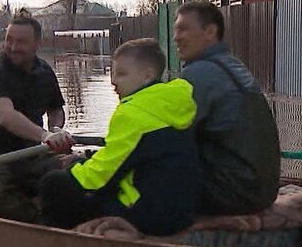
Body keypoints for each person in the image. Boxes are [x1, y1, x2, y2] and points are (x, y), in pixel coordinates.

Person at [39, 38, 199, 236]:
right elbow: (130, 155)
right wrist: (85, 159)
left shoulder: (131, 114)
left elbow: (99, 178)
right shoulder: (174, 104)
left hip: (149, 214)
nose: (113, 81)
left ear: (147, 75)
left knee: (54, 183)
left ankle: (60, 245)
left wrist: (72, 167)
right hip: (179, 208)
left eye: (121, 74)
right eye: (112, 73)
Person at [0, 14, 74, 222]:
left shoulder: (45, 72)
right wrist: (44, 135)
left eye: (21, 42)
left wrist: (57, 130)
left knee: (79, 168)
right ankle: (42, 225)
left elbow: (55, 110)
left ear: (37, 44)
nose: (13, 47)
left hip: (31, 154)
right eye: (9, 40)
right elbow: (6, 116)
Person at [173, 0, 280, 216]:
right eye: (175, 30)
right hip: (263, 192)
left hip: (232, 194)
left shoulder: (199, 74)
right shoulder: (233, 66)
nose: (176, 37)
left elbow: (169, 134)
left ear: (210, 32)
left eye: (183, 29)